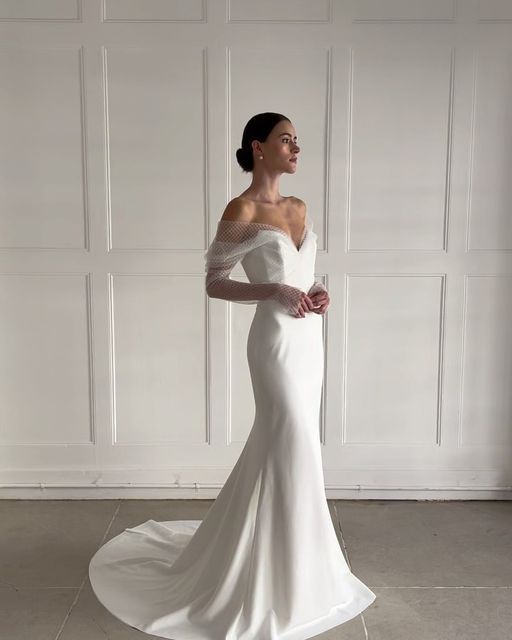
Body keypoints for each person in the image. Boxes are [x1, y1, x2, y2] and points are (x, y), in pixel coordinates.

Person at [88, 112, 376, 639]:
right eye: (285, 140)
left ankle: (299, 565)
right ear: (257, 147)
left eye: (297, 141)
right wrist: (271, 291)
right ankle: (276, 574)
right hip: (273, 342)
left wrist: (315, 293)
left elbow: (300, 276)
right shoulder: (241, 209)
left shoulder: (299, 207)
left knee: (293, 442)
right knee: (289, 436)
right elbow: (215, 282)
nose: (295, 148)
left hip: (307, 338)